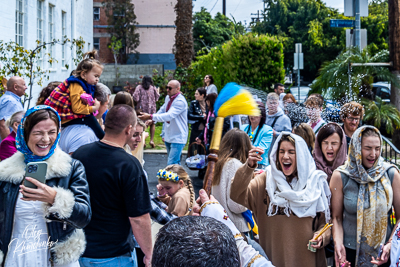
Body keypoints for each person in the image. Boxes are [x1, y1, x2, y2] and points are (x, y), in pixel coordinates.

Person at [0, 105, 91, 266]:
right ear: (24, 133)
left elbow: (84, 217)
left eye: (52, 132)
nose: (46, 139)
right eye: (38, 133)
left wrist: (56, 199)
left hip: (57, 259)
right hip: (16, 256)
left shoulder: (71, 168)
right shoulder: (6, 172)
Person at [230, 133, 332, 267]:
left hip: (307, 259)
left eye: (291, 152)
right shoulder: (266, 182)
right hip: (272, 260)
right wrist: (248, 167)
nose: (285, 156)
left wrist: (321, 237)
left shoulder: (314, 184)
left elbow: (324, 225)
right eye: (281, 151)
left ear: (301, 156)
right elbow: (236, 194)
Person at [73, 105, 153, 267]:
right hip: (114, 255)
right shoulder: (129, 165)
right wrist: (149, 253)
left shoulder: (80, 153)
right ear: (129, 129)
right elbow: (138, 218)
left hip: (79, 250)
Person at [330, 126, 400, 267]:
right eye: (367, 148)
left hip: (382, 254)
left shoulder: (391, 174)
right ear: (356, 148)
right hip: (348, 253)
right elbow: (336, 218)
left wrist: (390, 244)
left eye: (377, 148)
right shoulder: (341, 176)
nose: (373, 154)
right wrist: (338, 244)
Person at [45, 50, 104, 139]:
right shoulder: (76, 85)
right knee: (90, 119)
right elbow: (77, 109)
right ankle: (103, 139)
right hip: (62, 116)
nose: (97, 79)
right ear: (83, 74)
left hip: (65, 113)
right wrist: (94, 108)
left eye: (98, 77)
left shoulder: (84, 84)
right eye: (95, 76)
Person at [212, 129, 252, 233]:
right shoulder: (235, 165)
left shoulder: (218, 162)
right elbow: (236, 206)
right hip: (234, 226)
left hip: (218, 222)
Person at [139, 80, 188, 165]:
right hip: (169, 135)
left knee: (172, 163)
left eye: (170, 88)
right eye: (167, 87)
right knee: (174, 163)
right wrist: (153, 119)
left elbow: (169, 115)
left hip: (178, 136)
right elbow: (163, 109)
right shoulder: (168, 98)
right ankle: (180, 177)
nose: (167, 89)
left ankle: (176, 177)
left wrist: (150, 116)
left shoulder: (180, 101)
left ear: (178, 89)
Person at [58, 83, 111, 155]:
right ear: (98, 104)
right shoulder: (85, 135)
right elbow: (77, 164)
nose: (107, 108)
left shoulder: (71, 122)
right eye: (107, 104)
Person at [241, 102, 273, 168]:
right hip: (243, 162)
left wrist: (245, 145)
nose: (252, 115)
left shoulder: (267, 130)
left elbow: (260, 151)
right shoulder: (243, 128)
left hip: (260, 165)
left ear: (261, 115)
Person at [132, 76, 159, 148]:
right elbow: (157, 98)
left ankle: (142, 141)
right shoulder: (153, 88)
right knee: (152, 124)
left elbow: (135, 97)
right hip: (151, 109)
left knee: (141, 124)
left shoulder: (139, 87)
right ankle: (151, 140)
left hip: (142, 109)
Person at [0, 76, 26, 141]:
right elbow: (3, 125)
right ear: (15, 87)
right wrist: (8, 146)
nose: (26, 87)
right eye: (24, 85)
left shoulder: (10, 99)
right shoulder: (10, 101)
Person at [187, 87, 207, 155]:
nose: (195, 95)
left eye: (197, 94)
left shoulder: (207, 103)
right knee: (194, 147)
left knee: (203, 148)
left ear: (202, 95)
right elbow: (190, 115)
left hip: (205, 129)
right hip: (196, 128)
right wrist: (201, 117)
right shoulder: (194, 103)